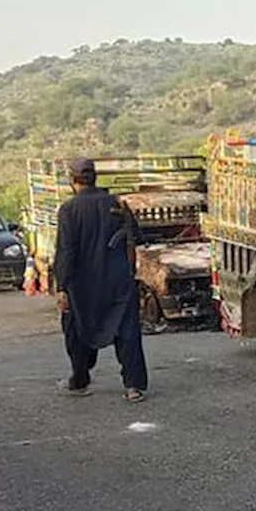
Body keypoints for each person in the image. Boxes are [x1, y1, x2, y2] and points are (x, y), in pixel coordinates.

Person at [53, 157, 149, 403]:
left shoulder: (69, 210)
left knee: (75, 329)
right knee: (127, 331)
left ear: (72, 180)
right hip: (118, 280)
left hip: (83, 285)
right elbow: (136, 235)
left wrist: (62, 287)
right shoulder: (115, 203)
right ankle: (133, 387)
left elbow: (66, 251)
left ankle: (80, 379)